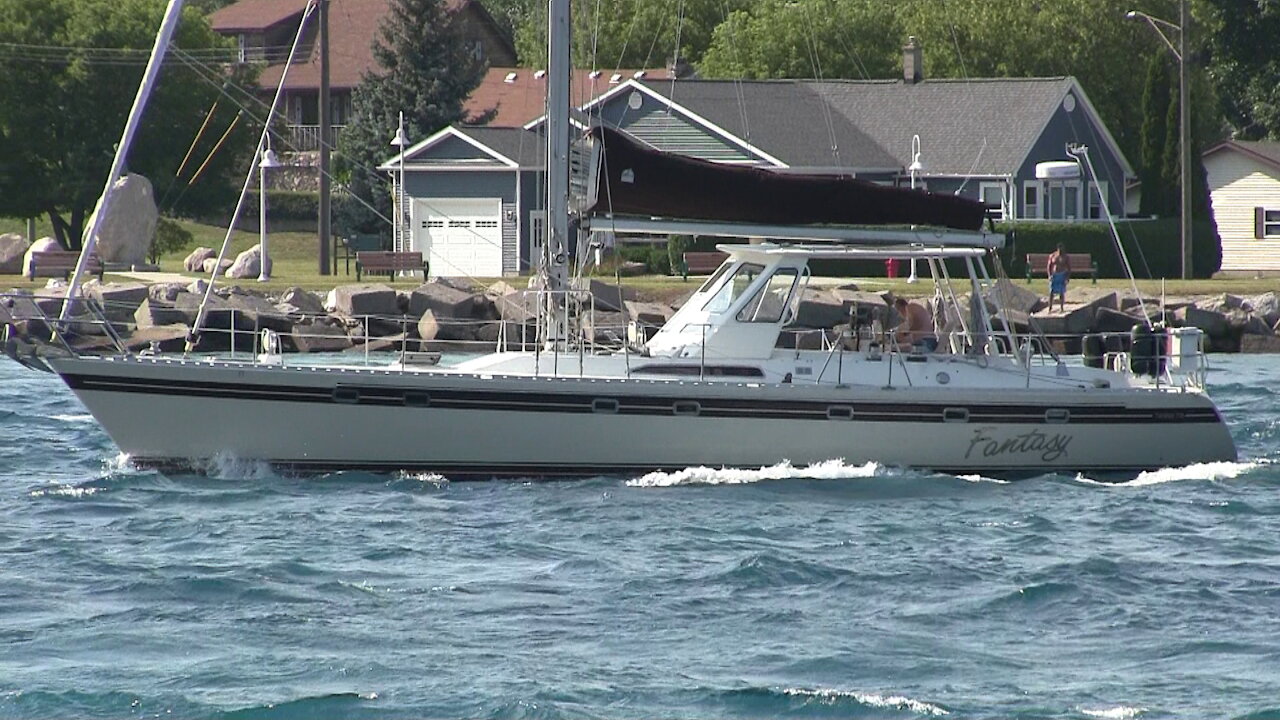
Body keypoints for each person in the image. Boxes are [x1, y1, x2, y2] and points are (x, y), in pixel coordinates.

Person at [1046, 243, 1072, 312]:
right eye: (1059, 248)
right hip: (1054, 275)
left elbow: (1069, 268)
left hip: (1062, 275)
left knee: (1061, 292)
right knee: (1051, 292)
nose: (1060, 250)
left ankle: (1061, 308)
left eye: (1062, 248)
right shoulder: (1053, 256)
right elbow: (1049, 266)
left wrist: (1067, 278)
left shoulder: (1066, 257)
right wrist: (1049, 275)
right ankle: (1050, 308)